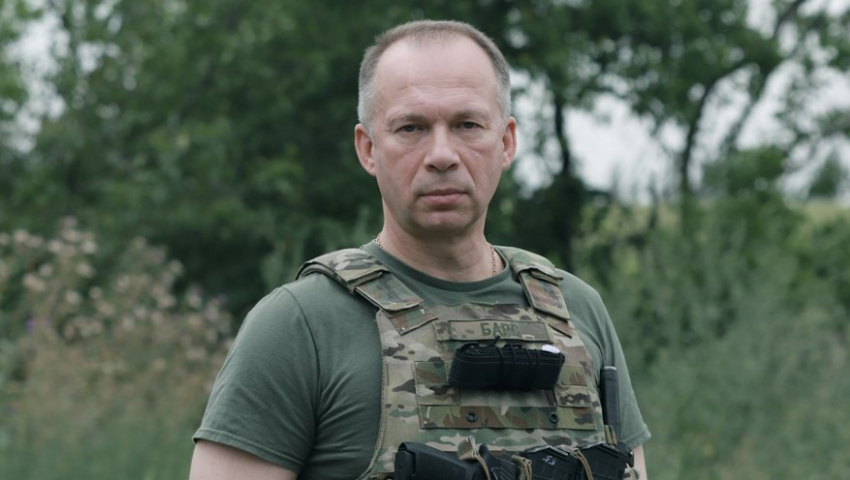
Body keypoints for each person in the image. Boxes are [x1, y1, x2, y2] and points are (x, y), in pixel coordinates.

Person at [189, 19, 650, 480]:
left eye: (467, 124)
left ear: (506, 142)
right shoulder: (301, 325)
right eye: (411, 127)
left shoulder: (576, 309)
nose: (442, 154)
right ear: (368, 149)